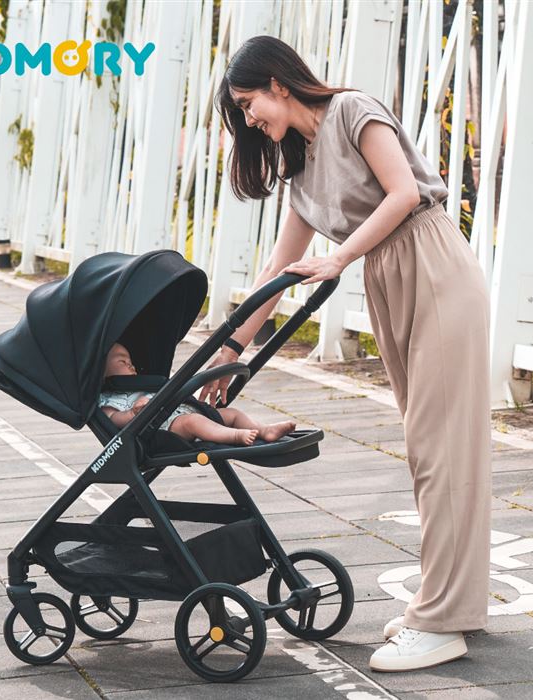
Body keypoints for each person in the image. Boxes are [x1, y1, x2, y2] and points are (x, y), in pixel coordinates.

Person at [198, 35, 492, 672]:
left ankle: (442, 621)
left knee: (440, 448)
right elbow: (277, 271)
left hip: (433, 264)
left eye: (249, 104)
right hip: (389, 278)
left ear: (278, 83)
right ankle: (454, 604)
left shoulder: (353, 110)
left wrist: (338, 257)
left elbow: (403, 193)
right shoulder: (301, 172)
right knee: (430, 449)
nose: (250, 119)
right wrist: (228, 351)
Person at [100, 342, 296, 445]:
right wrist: (132, 414)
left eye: (131, 362)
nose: (131, 365)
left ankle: (264, 430)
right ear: (102, 372)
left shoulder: (145, 384)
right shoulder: (109, 399)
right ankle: (235, 435)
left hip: (182, 410)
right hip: (164, 428)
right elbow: (112, 418)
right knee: (194, 422)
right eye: (122, 362)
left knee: (232, 414)